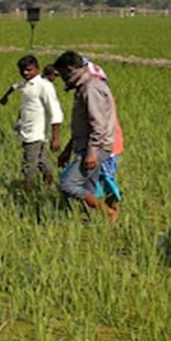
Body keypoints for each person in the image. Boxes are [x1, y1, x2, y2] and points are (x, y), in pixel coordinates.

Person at [51, 51, 123, 222]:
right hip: (88, 146)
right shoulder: (84, 87)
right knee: (88, 186)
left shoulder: (91, 88)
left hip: (97, 148)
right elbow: (83, 127)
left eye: (62, 74)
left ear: (70, 69)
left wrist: (92, 152)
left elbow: (98, 125)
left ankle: (108, 212)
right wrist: (68, 150)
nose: (62, 79)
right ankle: (93, 220)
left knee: (68, 184)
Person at [0, 55, 63, 191]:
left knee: (29, 164)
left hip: (36, 132)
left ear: (37, 69)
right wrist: (5, 97)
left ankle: (27, 192)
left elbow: (55, 111)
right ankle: (51, 186)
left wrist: (56, 137)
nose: (25, 73)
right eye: (22, 70)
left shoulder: (44, 86)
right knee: (42, 161)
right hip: (27, 129)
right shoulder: (25, 84)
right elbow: (14, 86)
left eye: (29, 70)